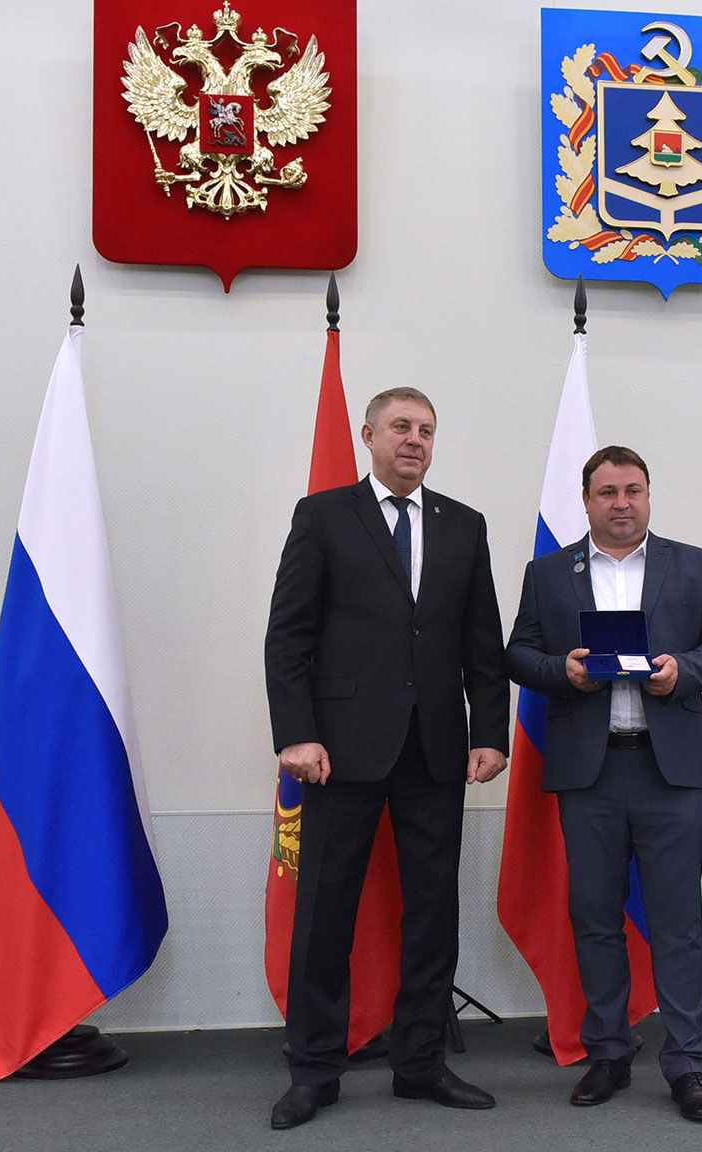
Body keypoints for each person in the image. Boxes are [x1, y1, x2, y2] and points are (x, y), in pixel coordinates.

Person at [263, 387, 510, 1129]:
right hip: (338, 751)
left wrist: (489, 733)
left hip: (435, 749)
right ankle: (314, 1070)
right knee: (324, 914)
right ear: (368, 434)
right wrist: (296, 733)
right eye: (401, 427)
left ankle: (421, 1063)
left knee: (433, 913)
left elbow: (482, 642)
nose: (414, 440)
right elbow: (288, 635)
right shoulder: (323, 516)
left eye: (426, 430)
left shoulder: (464, 525)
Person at [503, 445, 702, 1122]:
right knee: (595, 918)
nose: (621, 503)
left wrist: (682, 671)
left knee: (677, 923)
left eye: (633, 490)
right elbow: (518, 653)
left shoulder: (690, 564)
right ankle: (608, 1052)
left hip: (669, 772)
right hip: (590, 773)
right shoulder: (550, 573)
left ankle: (689, 1065)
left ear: (648, 495)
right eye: (607, 492)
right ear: (586, 501)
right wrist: (564, 671)